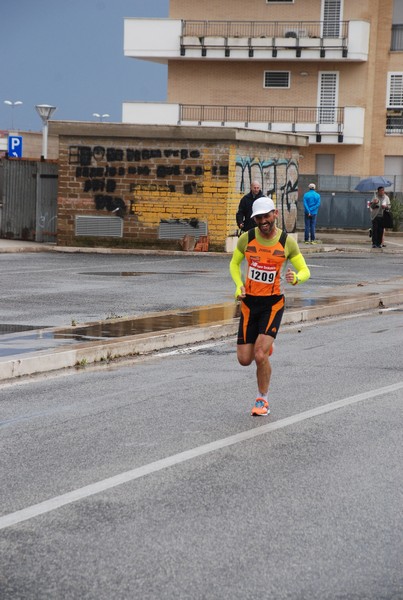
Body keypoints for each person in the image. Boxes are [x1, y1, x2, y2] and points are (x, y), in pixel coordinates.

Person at [229, 196, 311, 417]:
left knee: (259, 355)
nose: (263, 221)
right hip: (249, 304)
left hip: (272, 304)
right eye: (259, 218)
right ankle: (265, 345)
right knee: (244, 359)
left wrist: (296, 278)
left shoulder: (286, 242)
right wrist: (238, 286)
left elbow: (305, 270)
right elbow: (234, 264)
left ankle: (262, 400)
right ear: (254, 219)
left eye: (266, 216)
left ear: (275, 214)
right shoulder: (246, 239)